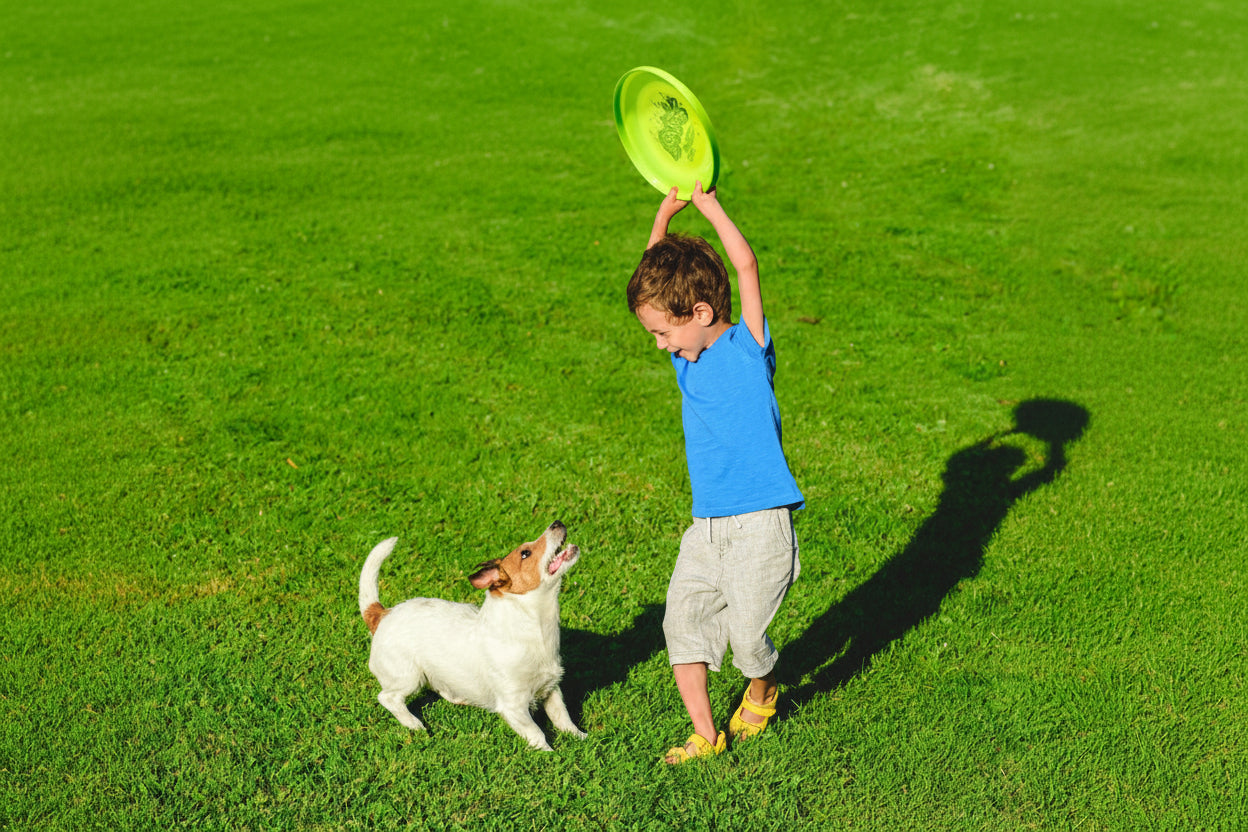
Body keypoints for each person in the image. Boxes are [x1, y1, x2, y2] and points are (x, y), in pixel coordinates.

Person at [626, 182, 803, 763]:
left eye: (664, 332)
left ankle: (762, 690)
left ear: (701, 313)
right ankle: (704, 732)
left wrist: (706, 206)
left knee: (749, 636)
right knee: (682, 624)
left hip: (760, 523)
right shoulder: (688, 361)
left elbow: (745, 264)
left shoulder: (749, 346)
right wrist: (661, 216)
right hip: (705, 528)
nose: (661, 346)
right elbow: (658, 280)